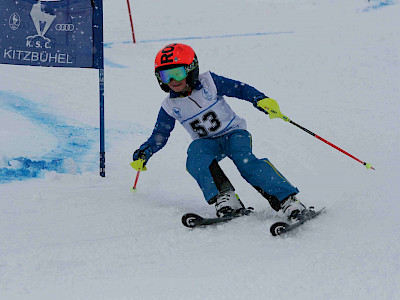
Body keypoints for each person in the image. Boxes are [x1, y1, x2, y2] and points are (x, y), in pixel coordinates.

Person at [131, 43, 306, 220]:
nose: (173, 81)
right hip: (207, 143)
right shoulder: (170, 106)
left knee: (245, 162)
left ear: (191, 70)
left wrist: (260, 99)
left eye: (178, 73)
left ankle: (287, 200)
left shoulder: (210, 82)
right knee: (195, 157)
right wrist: (145, 152)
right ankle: (226, 198)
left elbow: (240, 88)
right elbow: (160, 134)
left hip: (233, 133)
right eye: (166, 75)